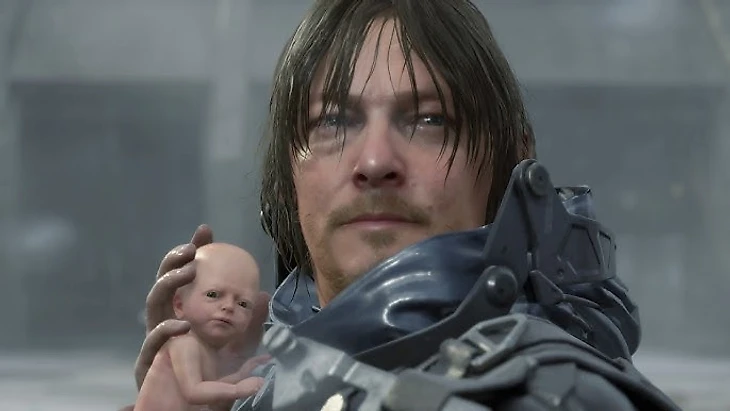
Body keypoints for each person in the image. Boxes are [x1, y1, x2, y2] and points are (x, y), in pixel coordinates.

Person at [122, 0, 680, 410]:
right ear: (290, 174)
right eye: (333, 121)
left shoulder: (552, 395)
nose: (374, 161)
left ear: (514, 161)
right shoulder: (260, 374)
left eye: (430, 120)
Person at [134, 243, 269, 411]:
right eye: (213, 295)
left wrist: (240, 375)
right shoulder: (184, 343)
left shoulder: (208, 350)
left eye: (243, 304)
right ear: (179, 305)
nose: (229, 306)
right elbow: (194, 392)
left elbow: (211, 388)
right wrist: (237, 389)